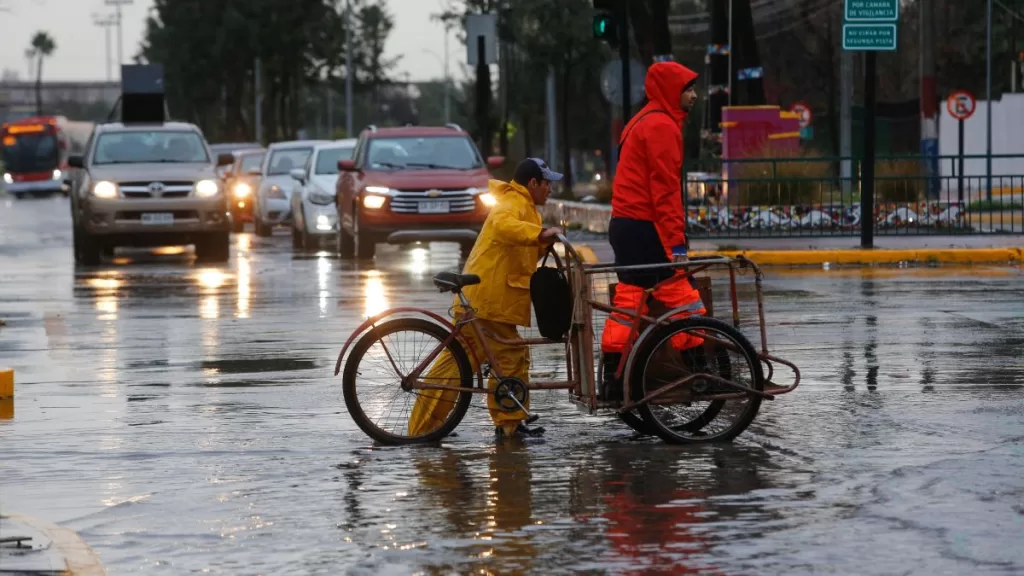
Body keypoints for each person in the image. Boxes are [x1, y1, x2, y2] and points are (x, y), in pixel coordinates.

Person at [408, 158, 564, 439]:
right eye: (547, 183)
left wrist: (540, 241)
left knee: (498, 359)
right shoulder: (511, 204)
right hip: (490, 302)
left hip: (493, 301)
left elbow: (517, 248)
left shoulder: (524, 206)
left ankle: (507, 422)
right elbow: (505, 227)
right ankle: (502, 424)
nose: (550, 189)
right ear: (533, 183)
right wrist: (539, 234)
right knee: (486, 361)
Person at [600, 61, 707, 399]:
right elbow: (665, 193)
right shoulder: (661, 126)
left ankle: (613, 377)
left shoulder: (641, 121)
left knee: (630, 301)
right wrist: (677, 248)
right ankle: (702, 371)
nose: (694, 95)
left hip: (625, 225)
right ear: (670, 92)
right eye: (687, 89)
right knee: (681, 294)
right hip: (645, 226)